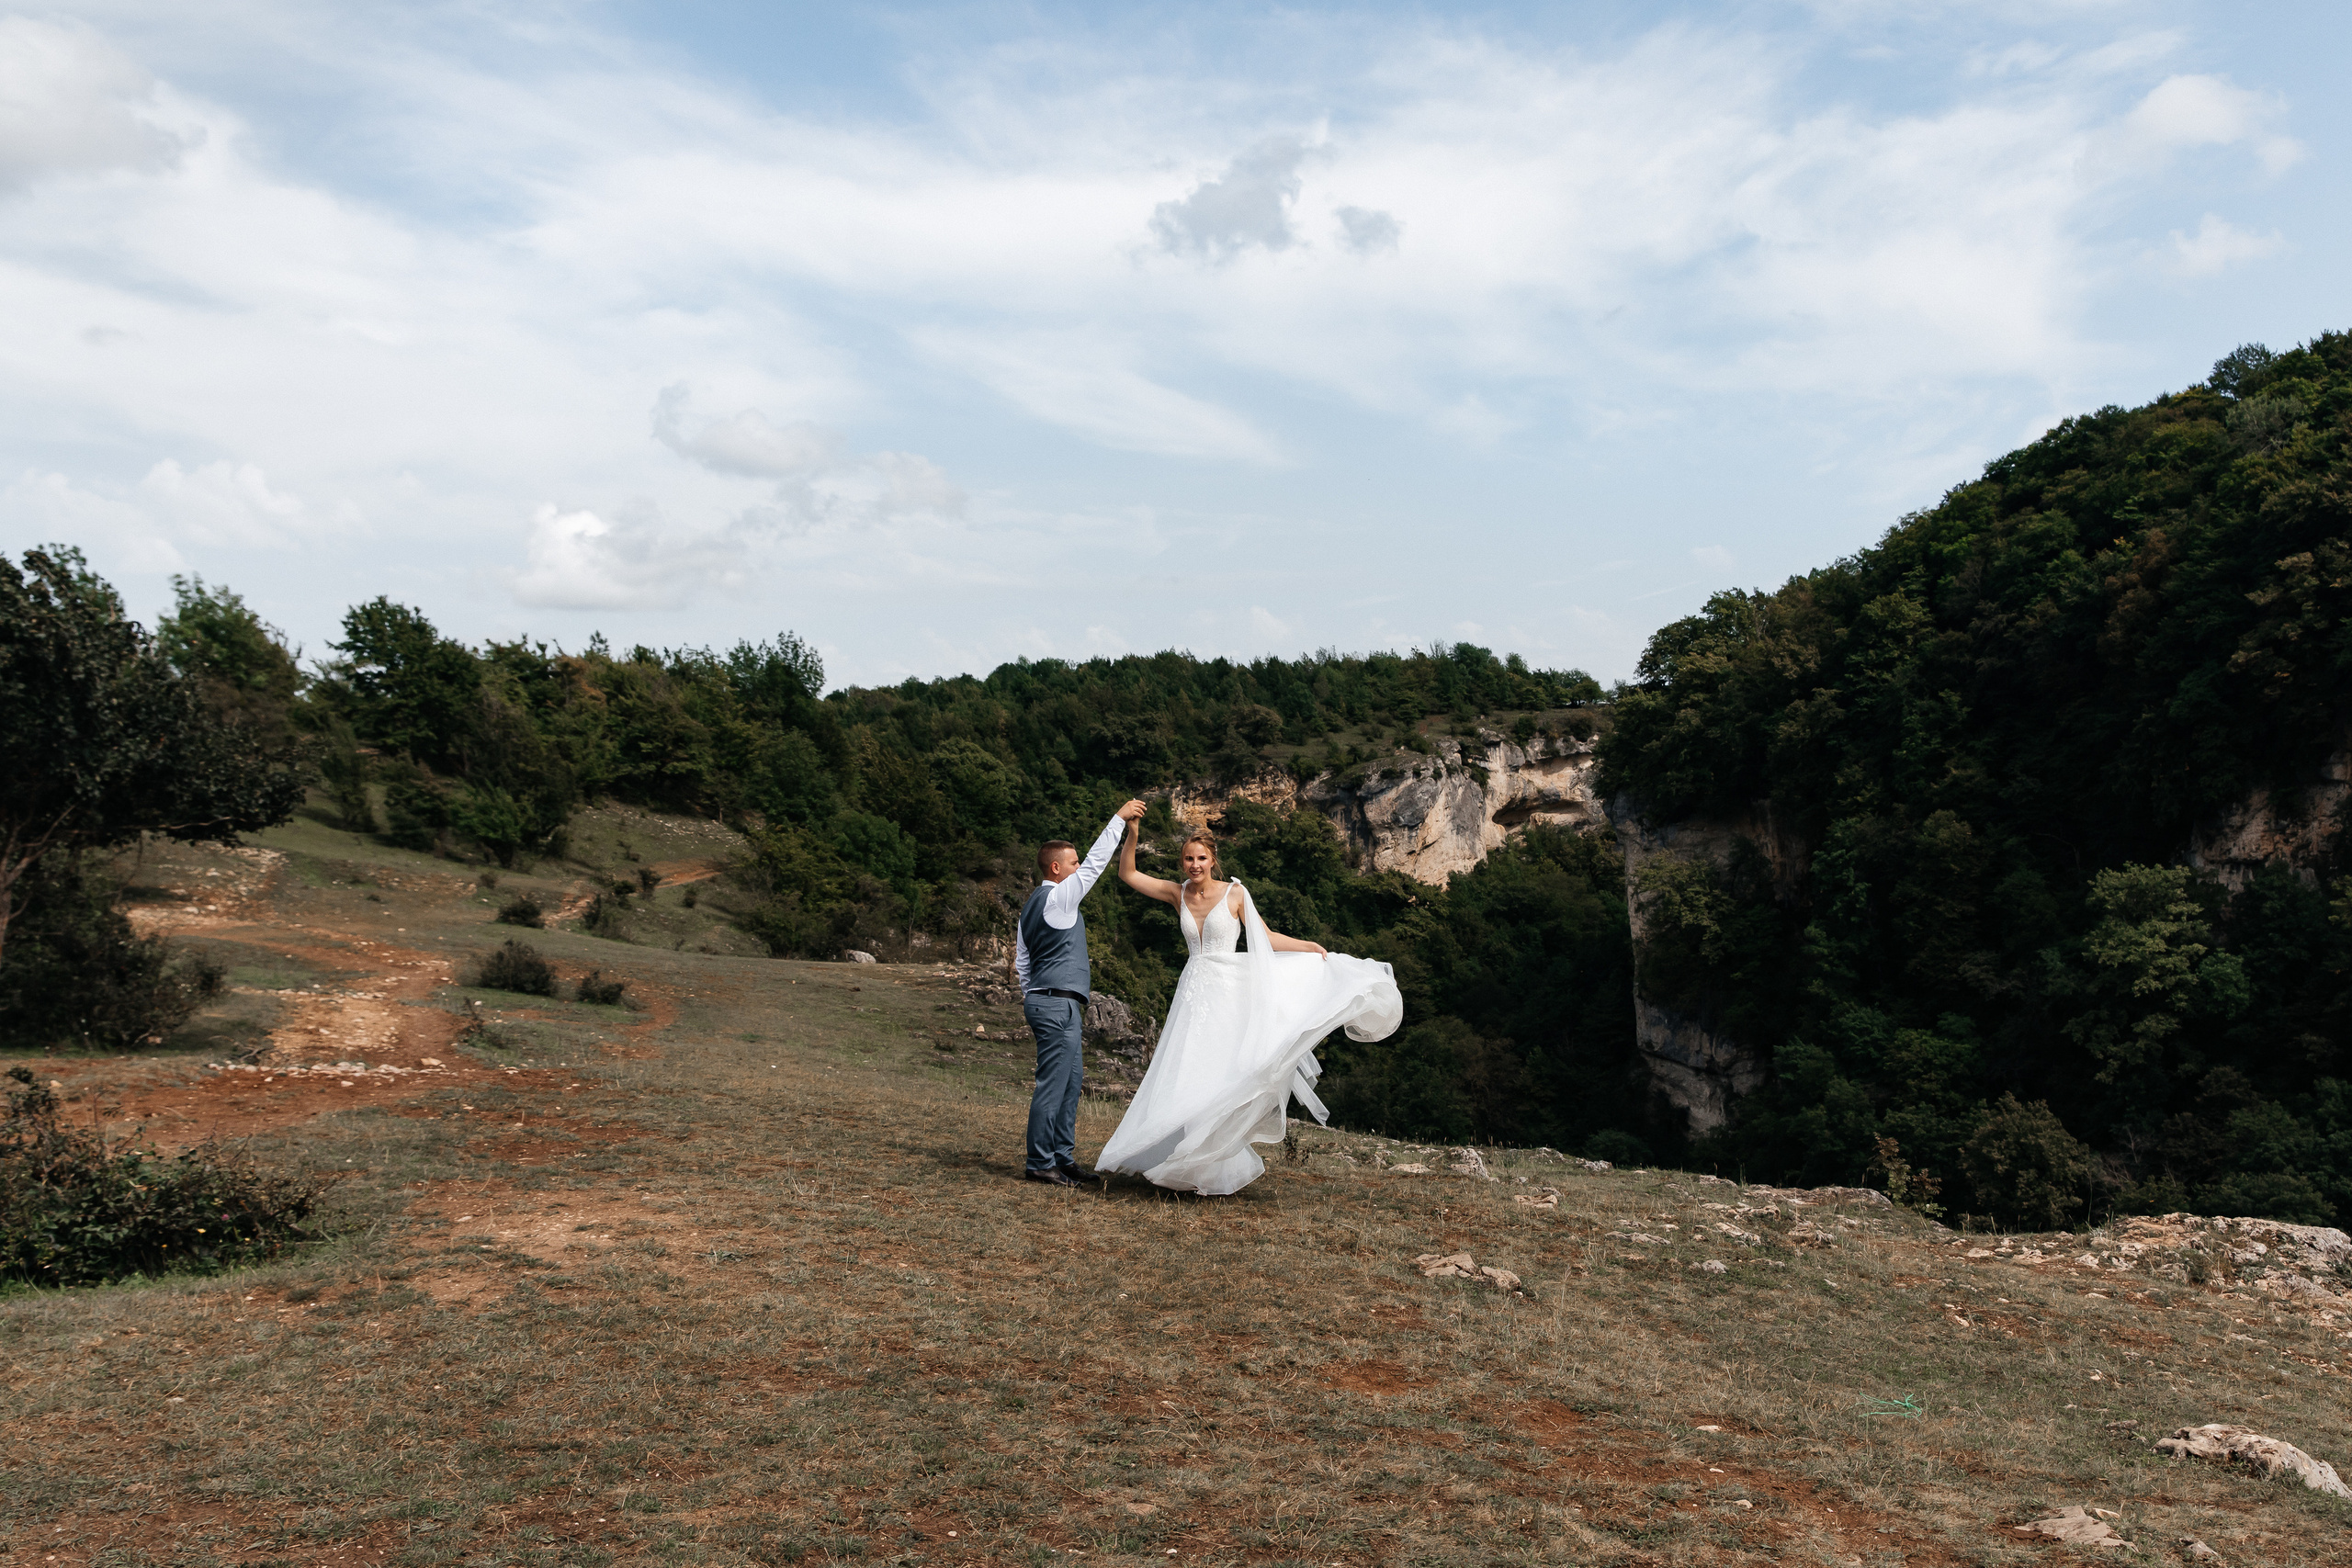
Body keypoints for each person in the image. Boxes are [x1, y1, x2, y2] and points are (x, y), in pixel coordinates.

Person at [1094, 819, 1401, 1194]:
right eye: (1188, 859)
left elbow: (1266, 937)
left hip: (1229, 992)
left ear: (1213, 860)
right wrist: (1134, 835)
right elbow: (1127, 872)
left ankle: (1207, 1164)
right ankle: (1182, 1159)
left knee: (1226, 1073)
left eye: (1201, 858)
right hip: (1194, 993)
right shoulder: (1178, 893)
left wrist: (1310, 947)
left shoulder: (1236, 894)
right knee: (1190, 1071)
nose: (1194, 865)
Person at [1013, 799, 1148, 1187]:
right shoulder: (1058, 898)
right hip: (1056, 1003)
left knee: (1071, 1085)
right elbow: (1095, 865)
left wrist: (1033, 995)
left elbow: (1023, 963)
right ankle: (1040, 1163)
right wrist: (1118, 820)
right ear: (1056, 868)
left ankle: (1062, 1159)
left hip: (1050, 1000)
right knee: (1054, 1085)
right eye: (1070, 864)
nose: (1077, 869)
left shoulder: (1029, 909)